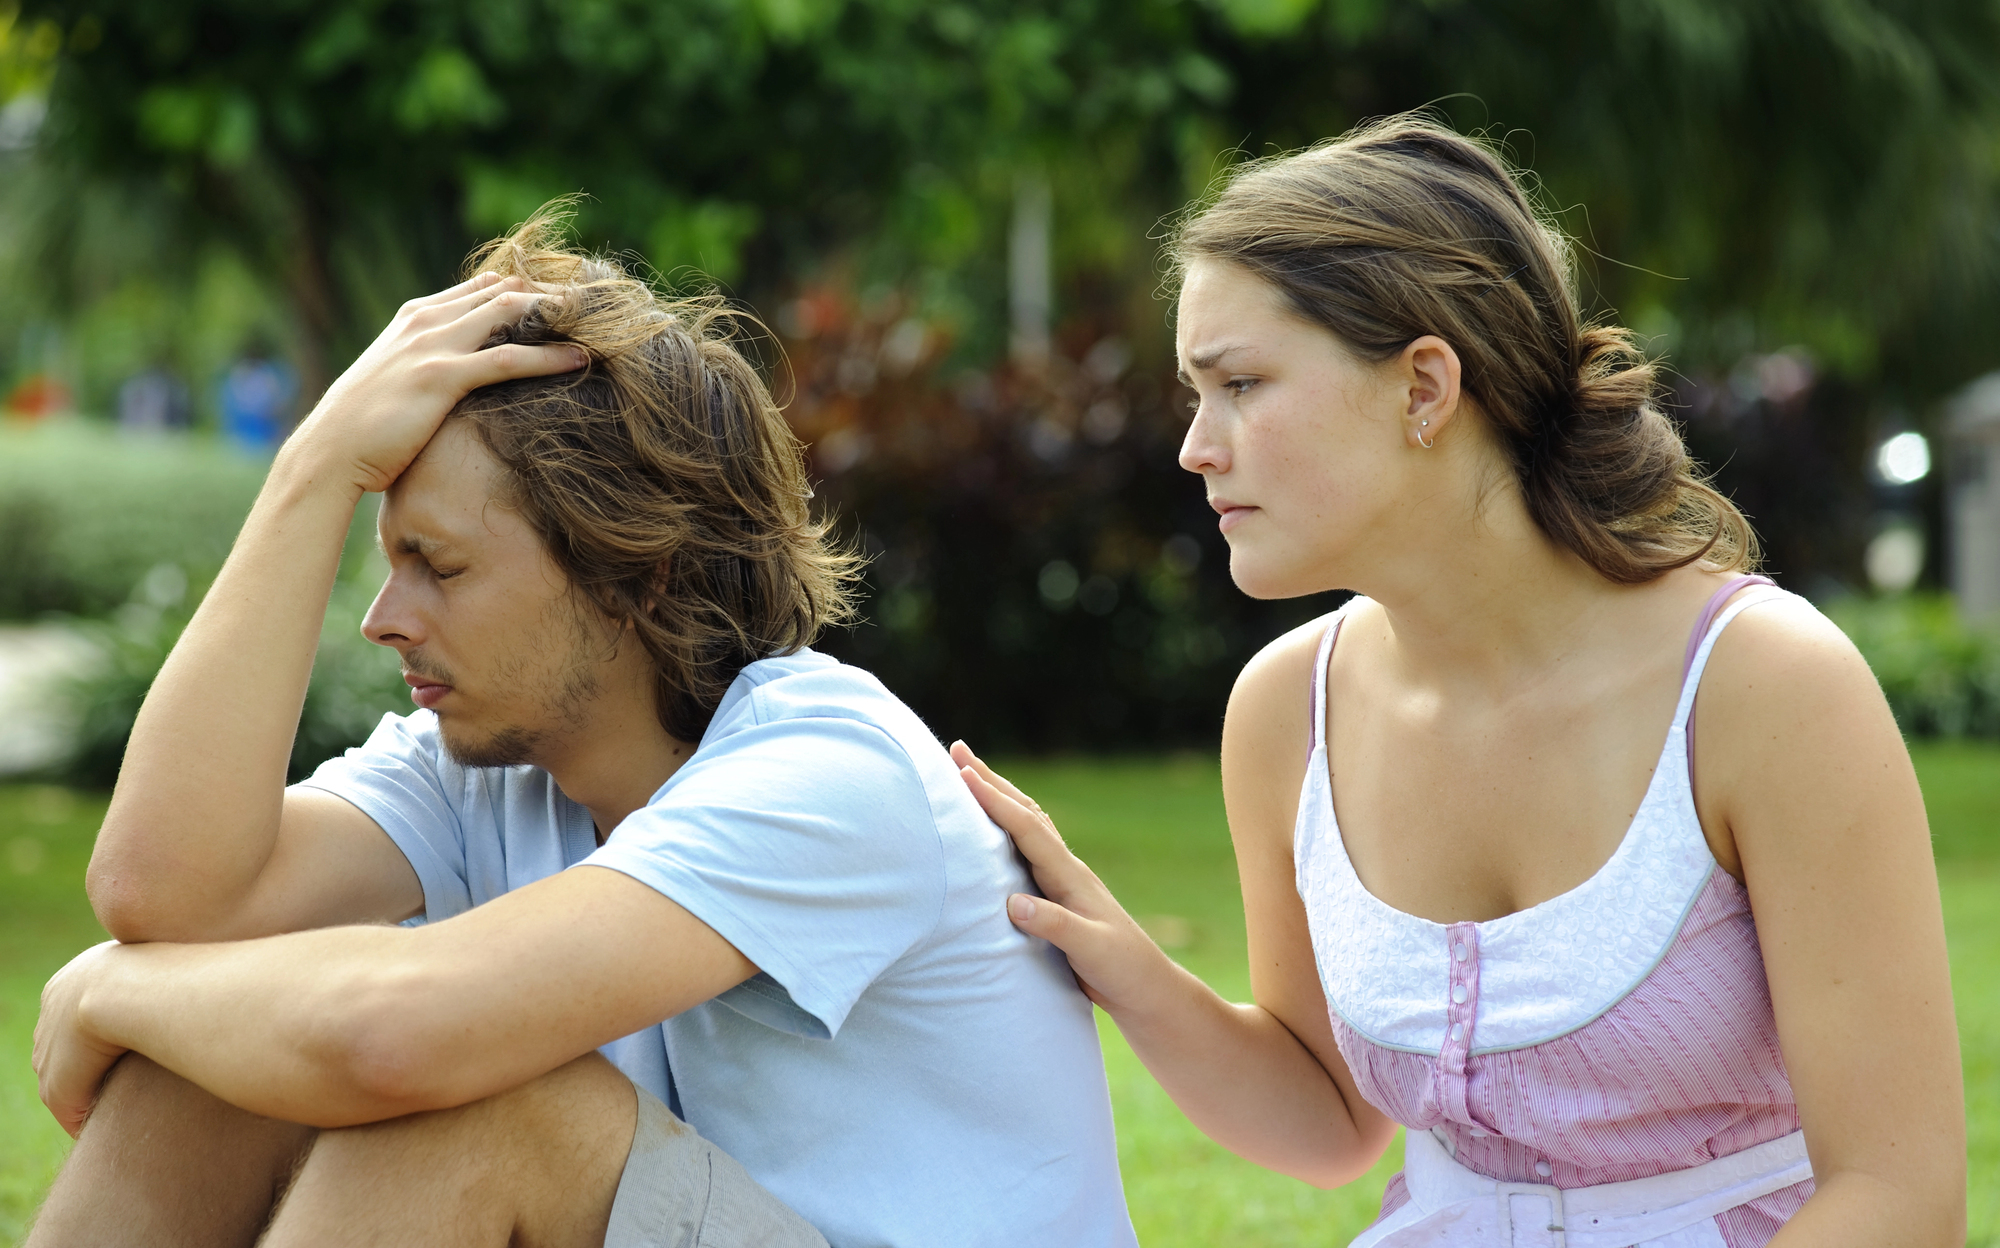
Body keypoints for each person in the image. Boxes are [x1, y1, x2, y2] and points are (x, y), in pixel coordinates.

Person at [951, 115, 1966, 1246]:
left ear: (1424, 386)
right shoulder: (1286, 713)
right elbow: (1329, 1120)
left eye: (1238, 383)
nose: (1196, 446)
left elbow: (1897, 1197)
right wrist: (1121, 962)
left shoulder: (1761, 688)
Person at [29, 214, 1136, 1248]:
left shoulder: (826, 770)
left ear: (628, 578)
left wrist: (106, 990)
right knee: (210, 1064)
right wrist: (311, 470)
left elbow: (397, 1037)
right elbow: (165, 895)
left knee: (479, 1092)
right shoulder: (488, 766)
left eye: (440, 566)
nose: (383, 621)